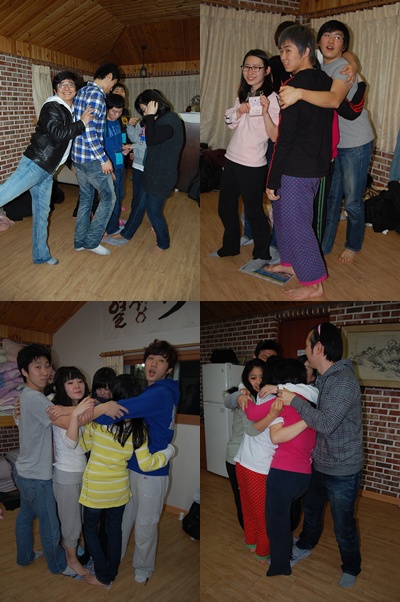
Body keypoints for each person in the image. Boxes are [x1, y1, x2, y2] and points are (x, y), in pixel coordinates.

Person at [66, 373, 175, 589]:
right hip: (119, 490)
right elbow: (146, 464)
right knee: (115, 532)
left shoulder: (98, 424)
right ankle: (111, 573)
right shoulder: (140, 430)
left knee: (91, 532)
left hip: (95, 488)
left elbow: (83, 447)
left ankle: (103, 575)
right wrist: (169, 452)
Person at [279, 21, 374, 263]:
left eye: (338, 37)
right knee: (331, 198)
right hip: (332, 144)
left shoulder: (343, 68)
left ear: (344, 44)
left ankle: (353, 244)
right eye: (327, 35)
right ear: (317, 42)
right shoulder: (318, 64)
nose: (331, 40)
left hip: (355, 142)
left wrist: (299, 93)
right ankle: (324, 245)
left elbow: (333, 100)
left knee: (352, 200)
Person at [278, 322, 364, 589]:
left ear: (319, 348)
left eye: (307, 345)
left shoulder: (343, 380)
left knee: (343, 525)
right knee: (312, 511)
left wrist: (295, 401)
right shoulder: (324, 379)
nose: (304, 350)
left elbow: (325, 423)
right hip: (319, 462)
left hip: (343, 469)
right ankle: (306, 543)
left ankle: (351, 566)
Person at [92, 339, 179, 583]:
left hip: (152, 472)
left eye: (161, 361)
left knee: (145, 524)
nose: (154, 364)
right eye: (151, 358)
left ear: (169, 369)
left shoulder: (160, 393)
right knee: (124, 520)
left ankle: (143, 568)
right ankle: (115, 559)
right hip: (131, 467)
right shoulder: (150, 391)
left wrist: (84, 411)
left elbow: (115, 413)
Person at [263, 25, 334, 300]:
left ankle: (314, 284)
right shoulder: (325, 81)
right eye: (281, 50)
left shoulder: (292, 87)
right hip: (313, 166)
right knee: (283, 217)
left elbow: (285, 138)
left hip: (296, 168)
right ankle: (290, 262)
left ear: (306, 51)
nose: (283, 56)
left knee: (296, 224)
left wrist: (272, 179)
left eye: (288, 50)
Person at [0, 71, 93, 264]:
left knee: (42, 215)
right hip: (35, 164)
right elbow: (59, 134)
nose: (66, 88)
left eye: (70, 84)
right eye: (62, 85)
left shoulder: (69, 110)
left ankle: (41, 256)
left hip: (47, 170)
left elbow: (64, 145)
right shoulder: (52, 106)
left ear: (76, 89)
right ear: (55, 89)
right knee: (3, 195)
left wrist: (71, 163)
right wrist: (82, 123)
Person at [14, 344, 83, 576]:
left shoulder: (28, 396)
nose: (45, 372)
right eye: (37, 367)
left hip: (23, 471)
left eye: (47, 366)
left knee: (25, 517)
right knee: (50, 524)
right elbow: (66, 423)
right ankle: (59, 565)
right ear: (24, 371)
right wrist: (90, 408)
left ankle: (25, 556)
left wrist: (65, 408)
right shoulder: (36, 399)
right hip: (37, 476)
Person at [210, 49, 279, 263]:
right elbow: (230, 123)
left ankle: (262, 253)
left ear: (267, 70)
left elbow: (275, 135)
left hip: (253, 164)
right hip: (232, 158)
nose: (250, 71)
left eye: (256, 67)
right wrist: (239, 111)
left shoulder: (273, 99)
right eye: (247, 67)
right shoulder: (243, 94)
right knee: (225, 208)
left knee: (254, 212)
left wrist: (265, 112)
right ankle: (230, 247)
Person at [103, 90, 184, 254]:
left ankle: (163, 243)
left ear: (154, 103)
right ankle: (126, 233)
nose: (144, 113)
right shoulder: (160, 119)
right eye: (142, 110)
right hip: (151, 171)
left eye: (144, 108)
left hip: (162, 175)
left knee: (153, 212)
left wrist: (150, 116)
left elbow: (151, 141)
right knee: (139, 204)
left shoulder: (170, 119)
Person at [72, 63, 121, 256]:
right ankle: (92, 242)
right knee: (109, 198)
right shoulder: (97, 95)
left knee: (86, 199)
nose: (112, 88)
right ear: (109, 76)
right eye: (113, 83)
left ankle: (79, 241)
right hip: (92, 159)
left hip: (79, 158)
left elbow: (77, 126)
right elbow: (89, 131)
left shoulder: (81, 92)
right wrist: (104, 159)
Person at [51, 366, 92, 577]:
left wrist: (74, 410)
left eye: (79, 381)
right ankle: (72, 560)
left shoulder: (83, 406)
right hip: (66, 475)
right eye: (70, 382)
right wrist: (73, 413)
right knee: (71, 523)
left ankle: (73, 551)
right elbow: (71, 443)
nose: (77, 386)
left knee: (80, 519)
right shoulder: (56, 410)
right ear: (61, 386)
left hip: (83, 472)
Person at [102, 94, 132, 236]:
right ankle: (109, 228)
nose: (117, 115)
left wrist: (124, 149)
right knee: (111, 199)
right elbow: (99, 149)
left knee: (119, 196)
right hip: (109, 167)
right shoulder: (102, 125)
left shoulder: (118, 121)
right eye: (114, 111)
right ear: (107, 109)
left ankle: (112, 224)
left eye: (119, 112)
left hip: (120, 164)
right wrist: (109, 170)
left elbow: (120, 139)